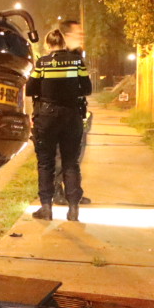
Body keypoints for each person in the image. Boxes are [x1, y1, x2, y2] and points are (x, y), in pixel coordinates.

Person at [28, 28, 91, 221]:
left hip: (47, 116)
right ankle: (73, 209)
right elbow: (87, 88)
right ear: (63, 43)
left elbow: (31, 89)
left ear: (48, 44)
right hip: (71, 115)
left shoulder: (43, 63)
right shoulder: (77, 62)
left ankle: (46, 208)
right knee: (71, 162)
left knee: (46, 162)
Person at [52, 17, 93, 206]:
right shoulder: (58, 59)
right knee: (62, 156)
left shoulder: (76, 56)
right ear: (65, 36)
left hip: (74, 112)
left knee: (73, 156)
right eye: (77, 33)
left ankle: (73, 193)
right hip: (62, 114)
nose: (81, 36)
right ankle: (57, 193)